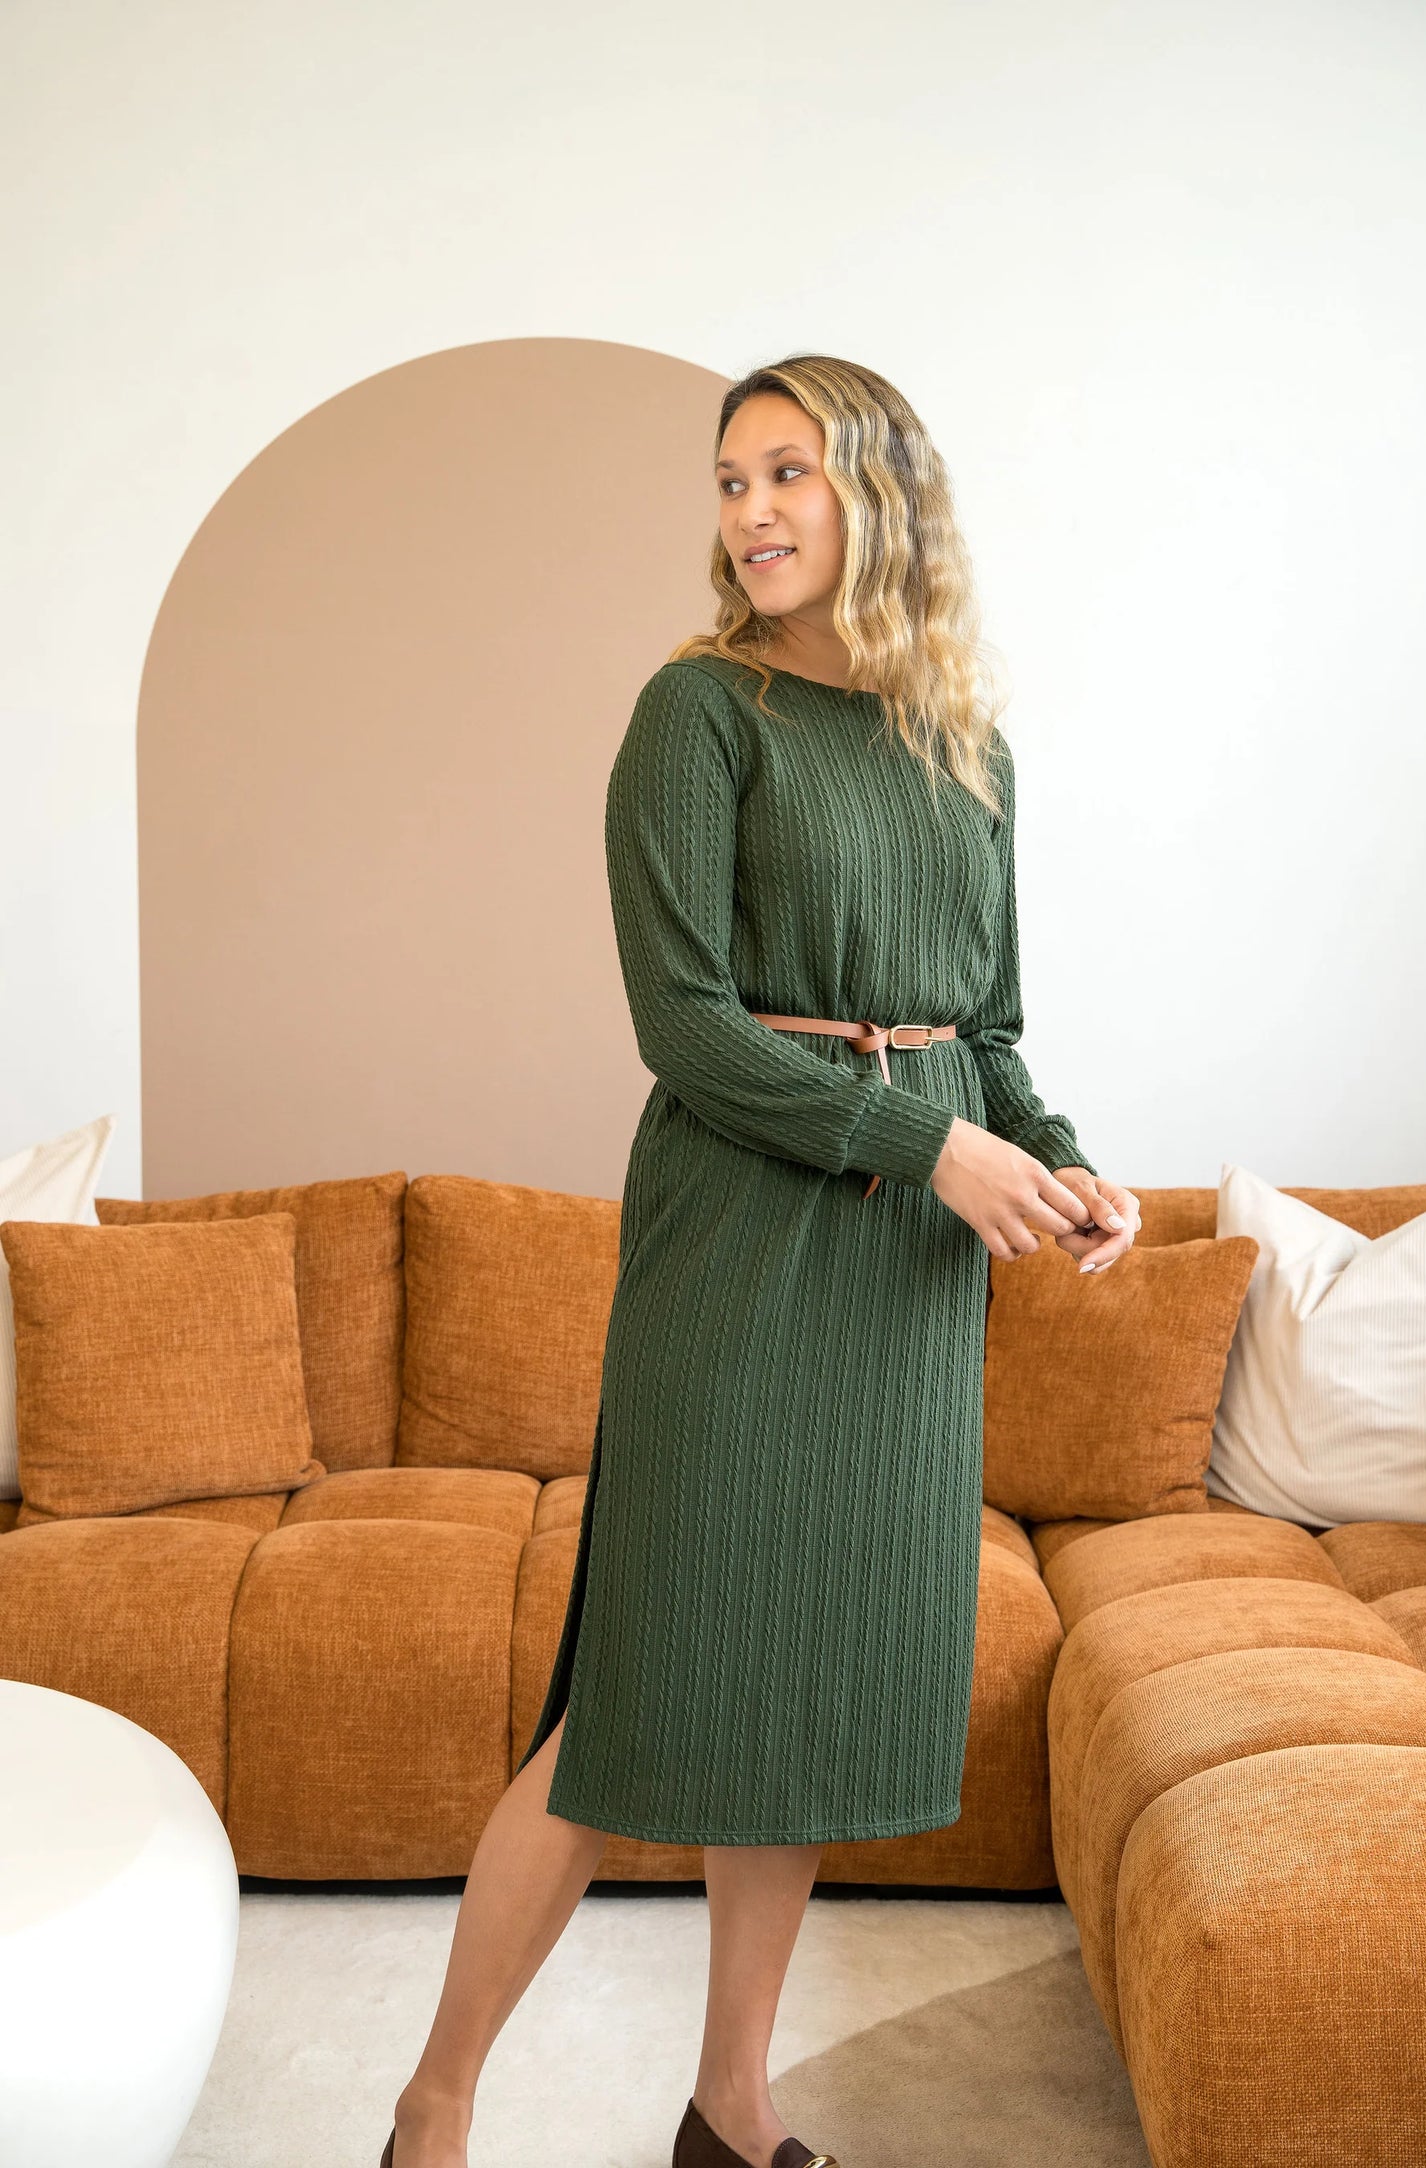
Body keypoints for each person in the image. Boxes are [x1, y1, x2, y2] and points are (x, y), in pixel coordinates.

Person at [380, 353, 1140, 2168]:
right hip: (744, 1242)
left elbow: (992, 1029)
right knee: (635, 1698)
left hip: (905, 1283)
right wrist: (925, 1144)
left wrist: (1056, 1159)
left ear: (880, 490)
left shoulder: (968, 743)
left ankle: (730, 2104)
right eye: (730, 482)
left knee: (794, 1691)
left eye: (786, 473)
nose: (751, 512)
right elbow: (688, 1032)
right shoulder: (695, 712)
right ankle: (431, 2107)